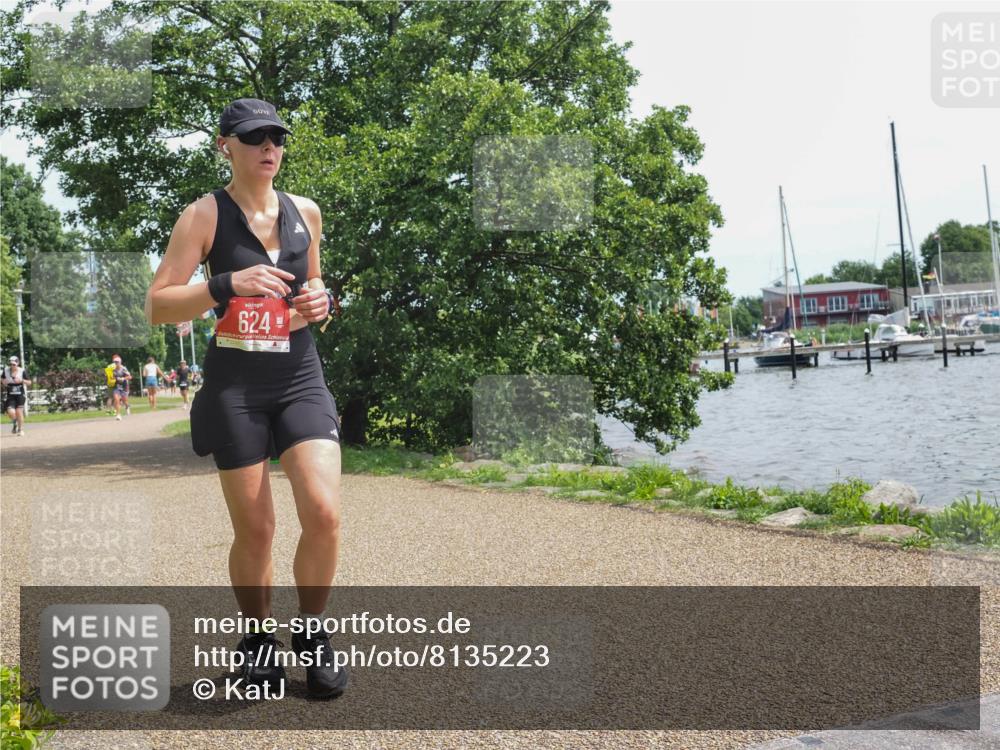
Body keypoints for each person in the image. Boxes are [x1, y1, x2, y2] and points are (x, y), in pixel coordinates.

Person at [145, 98, 345, 699]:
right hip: (236, 386)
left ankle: (312, 635)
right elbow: (158, 304)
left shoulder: (306, 211)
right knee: (257, 530)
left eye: (276, 138)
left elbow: (314, 285)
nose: (268, 148)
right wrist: (226, 283)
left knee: (324, 513)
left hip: (299, 374)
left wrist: (323, 303)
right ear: (225, 144)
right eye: (255, 137)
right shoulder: (204, 215)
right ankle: (258, 639)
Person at [2, 356, 31, 436]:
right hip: (10, 395)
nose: (12, 366)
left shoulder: (22, 371)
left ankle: (20, 430)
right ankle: (15, 423)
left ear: (17, 363)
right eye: (10, 364)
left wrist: (21, 380)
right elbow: (2, 379)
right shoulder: (5, 370)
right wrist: (4, 382)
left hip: (20, 395)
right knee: (11, 412)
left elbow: (29, 382)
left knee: (19, 412)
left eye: (14, 364)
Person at [110, 354, 132, 420]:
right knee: (116, 399)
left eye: (117, 362)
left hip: (124, 386)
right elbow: (110, 377)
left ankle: (127, 406)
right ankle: (118, 415)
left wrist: (123, 378)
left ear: (120, 362)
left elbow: (130, 377)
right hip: (116, 386)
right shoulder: (112, 369)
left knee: (124, 400)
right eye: (115, 362)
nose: (116, 363)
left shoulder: (123, 369)